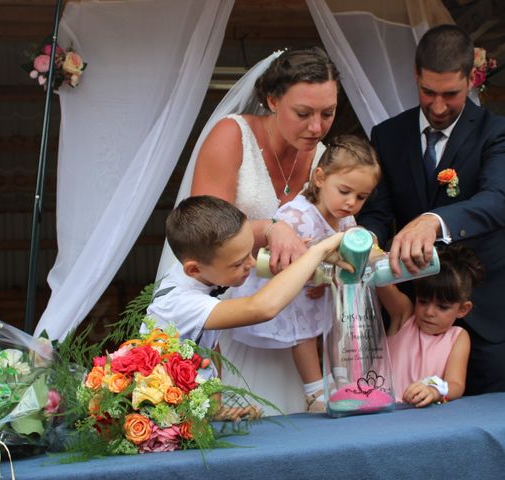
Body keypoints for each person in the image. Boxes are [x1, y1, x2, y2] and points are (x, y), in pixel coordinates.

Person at [357, 24, 505, 395]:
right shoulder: (386, 134)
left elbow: (500, 200)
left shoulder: (499, 132)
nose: (438, 107)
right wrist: (365, 242)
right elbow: (377, 211)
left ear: (471, 79)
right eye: (428, 92)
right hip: (415, 313)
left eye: (451, 94)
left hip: (486, 312)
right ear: (416, 77)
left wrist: (434, 221)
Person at [183, 47, 341, 414]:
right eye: (303, 114)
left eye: (328, 113)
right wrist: (270, 228)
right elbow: (205, 228)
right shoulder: (231, 135)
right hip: (229, 315)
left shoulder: (323, 159)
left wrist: (322, 272)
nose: (316, 128)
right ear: (271, 100)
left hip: (297, 332)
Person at [230, 135, 380, 412]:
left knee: (337, 325)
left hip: (318, 289)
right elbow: (281, 263)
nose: (351, 203)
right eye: (344, 191)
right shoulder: (298, 216)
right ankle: (314, 391)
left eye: (361, 197)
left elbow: (344, 255)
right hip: (285, 287)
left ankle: (343, 380)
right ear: (320, 178)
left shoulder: (345, 218)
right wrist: (317, 276)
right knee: (305, 333)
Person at [146, 195, 351, 359]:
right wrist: (320, 252)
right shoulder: (177, 302)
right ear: (193, 270)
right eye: (238, 263)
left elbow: (209, 349)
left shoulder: (203, 274)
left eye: (250, 253)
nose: (252, 264)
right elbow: (263, 308)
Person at [378, 244, 484, 407]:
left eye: (442, 306)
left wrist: (435, 391)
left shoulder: (458, 337)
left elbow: (456, 384)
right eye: (423, 301)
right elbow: (380, 281)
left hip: (423, 418)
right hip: (377, 411)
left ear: (463, 309)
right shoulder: (404, 315)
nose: (429, 312)